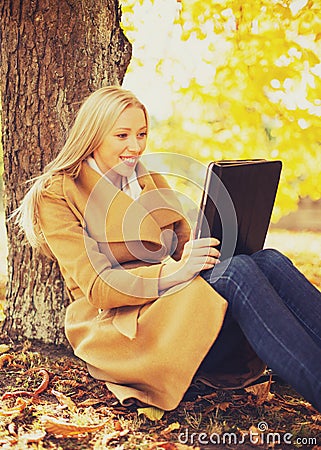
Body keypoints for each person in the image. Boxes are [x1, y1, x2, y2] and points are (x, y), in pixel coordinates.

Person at [15, 85, 321, 412]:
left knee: (268, 260)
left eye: (142, 134)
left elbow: (187, 244)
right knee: (236, 273)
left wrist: (212, 244)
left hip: (175, 307)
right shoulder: (59, 192)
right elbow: (98, 288)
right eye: (122, 136)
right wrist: (177, 270)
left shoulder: (150, 179)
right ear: (93, 136)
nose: (135, 146)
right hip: (124, 326)